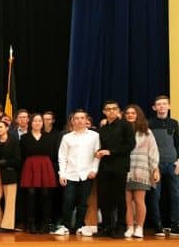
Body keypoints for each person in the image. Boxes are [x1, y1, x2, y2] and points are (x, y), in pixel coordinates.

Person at [53, 110, 100, 236]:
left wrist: (94, 170)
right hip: (70, 174)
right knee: (68, 201)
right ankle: (65, 226)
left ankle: (80, 226)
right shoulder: (67, 137)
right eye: (77, 118)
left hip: (86, 174)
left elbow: (97, 154)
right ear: (72, 121)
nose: (79, 120)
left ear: (86, 120)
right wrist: (61, 174)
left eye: (82, 118)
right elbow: (62, 156)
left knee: (83, 202)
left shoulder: (94, 136)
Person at [95, 100, 135, 238]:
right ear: (104, 112)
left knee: (119, 197)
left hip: (120, 166)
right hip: (105, 167)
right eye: (108, 109)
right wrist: (99, 151)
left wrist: (111, 152)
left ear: (118, 111)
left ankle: (120, 227)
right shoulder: (102, 129)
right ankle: (106, 226)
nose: (111, 111)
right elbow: (101, 146)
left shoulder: (126, 126)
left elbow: (130, 145)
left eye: (114, 109)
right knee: (104, 197)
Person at [123, 104, 160, 238]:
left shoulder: (146, 132)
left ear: (138, 115)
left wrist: (155, 169)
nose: (130, 115)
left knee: (139, 200)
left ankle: (139, 227)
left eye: (133, 113)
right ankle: (130, 227)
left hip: (141, 169)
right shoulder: (121, 130)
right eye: (128, 113)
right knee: (126, 201)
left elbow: (153, 151)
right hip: (125, 169)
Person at [19, 113, 57, 234]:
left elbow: (53, 154)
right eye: (35, 121)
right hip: (30, 166)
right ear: (31, 123)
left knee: (46, 195)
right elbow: (22, 155)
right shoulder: (25, 138)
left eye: (40, 121)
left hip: (45, 166)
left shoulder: (49, 137)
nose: (37, 123)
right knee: (30, 194)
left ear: (43, 123)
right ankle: (31, 223)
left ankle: (45, 223)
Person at [147, 95, 179, 236]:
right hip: (156, 166)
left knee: (176, 195)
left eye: (164, 104)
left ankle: (175, 225)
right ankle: (158, 225)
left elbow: (177, 143)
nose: (161, 106)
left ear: (169, 106)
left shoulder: (174, 123)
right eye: (158, 104)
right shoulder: (149, 123)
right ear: (154, 107)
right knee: (155, 196)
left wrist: (178, 161)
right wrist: (152, 166)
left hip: (173, 164)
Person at [0, 121, 20, 232]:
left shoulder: (14, 142)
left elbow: (17, 160)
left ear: (7, 128)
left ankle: (7, 225)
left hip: (10, 173)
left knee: (9, 200)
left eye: (1, 127)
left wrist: (2, 163)